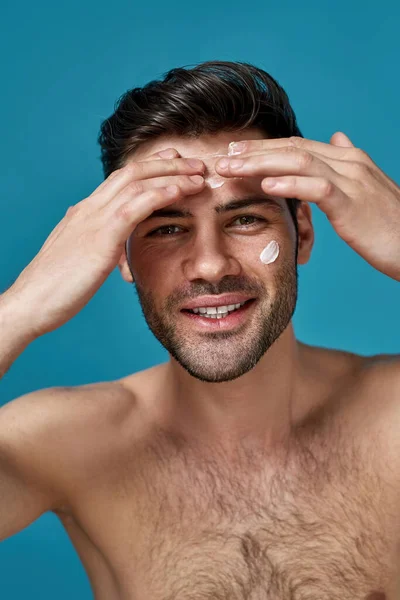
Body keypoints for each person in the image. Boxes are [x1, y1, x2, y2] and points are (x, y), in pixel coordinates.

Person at [1, 60, 399, 599]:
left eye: (244, 219)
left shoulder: (390, 421)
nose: (210, 265)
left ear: (303, 231)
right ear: (118, 255)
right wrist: (21, 309)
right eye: (167, 228)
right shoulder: (69, 444)